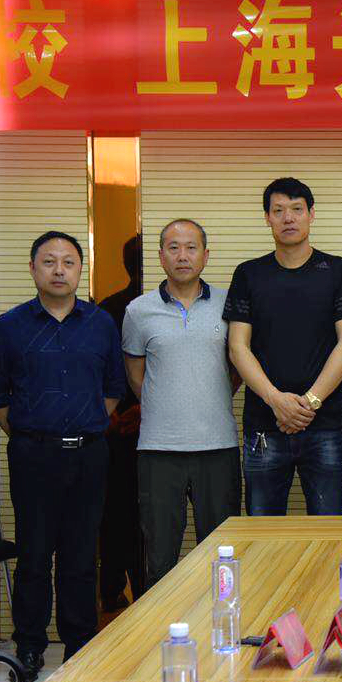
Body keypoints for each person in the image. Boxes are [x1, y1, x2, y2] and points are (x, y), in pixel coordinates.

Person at [0, 231, 125, 679]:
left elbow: (113, 389)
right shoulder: (8, 326)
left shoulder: (101, 323)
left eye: (68, 262)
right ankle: (29, 646)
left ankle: (79, 645)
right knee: (33, 554)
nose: (59, 270)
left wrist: (82, 424)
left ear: (80, 269)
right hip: (33, 455)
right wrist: (34, 432)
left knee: (80, 556)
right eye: (49, 262)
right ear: (33, 269)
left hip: (89, 454)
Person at [224, 177, 342, 515]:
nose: (288, 218)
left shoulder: (339, 270)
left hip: (325, 424)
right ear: (267, 218)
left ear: (311, 214)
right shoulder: (248, 274)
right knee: (263, 530)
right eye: (278, 211)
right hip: (265, 424)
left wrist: (309, 403)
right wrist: (276, 401)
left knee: (329, 530)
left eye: (297, 209)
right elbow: (238, 347)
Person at [123, 219, 242, 588]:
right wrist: (168, 403)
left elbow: (237, 368)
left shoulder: (229, 305)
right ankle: (159, 625)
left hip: (217, 447)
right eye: (173, 248)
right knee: (159, 559)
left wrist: (209, 394)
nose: (182, 256)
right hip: (159, 450)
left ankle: (221, 623)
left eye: (191, 247)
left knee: (223, 556)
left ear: (206, 255)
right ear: (161, 257)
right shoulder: (138, 311)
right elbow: (137, 376)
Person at [97, 234, 144, 612]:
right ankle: (113, 590)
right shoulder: (108, 310)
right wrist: (109, 415)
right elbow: (98, 366)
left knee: (142, 517)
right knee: (117, 513)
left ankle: (139, 592)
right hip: (116, 429)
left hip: (157, 425)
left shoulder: (165, 307)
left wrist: (147, 409)